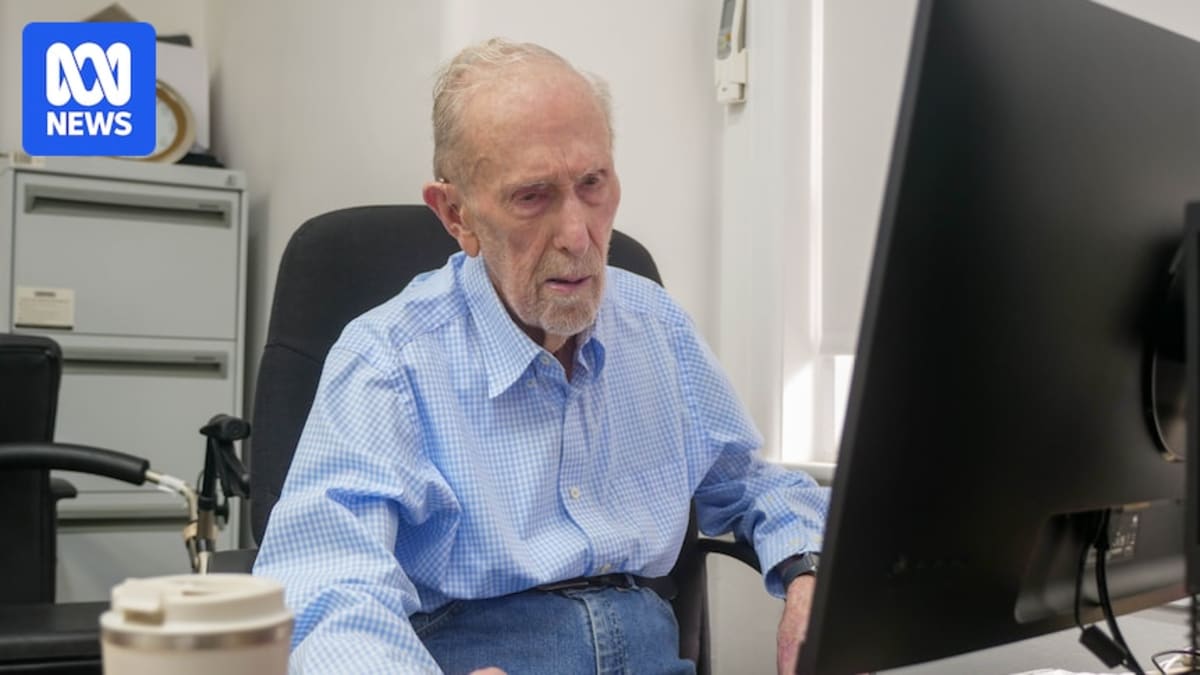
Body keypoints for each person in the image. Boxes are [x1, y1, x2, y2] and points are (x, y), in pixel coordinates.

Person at [252, 37, 828, 675]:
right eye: (533, 197)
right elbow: (327, 588)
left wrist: (808, 573)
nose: (578, 236)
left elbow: (751, 484)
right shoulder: (389, 360)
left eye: (592, 184)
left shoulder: (656, 326)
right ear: (456, 215)